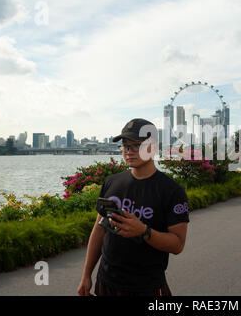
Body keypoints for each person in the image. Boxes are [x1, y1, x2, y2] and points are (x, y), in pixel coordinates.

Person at [77, 118, 190, 296]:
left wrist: (144, 231)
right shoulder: (112, 182)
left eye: (136, 145)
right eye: (125, 146)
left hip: (147, 287)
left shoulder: (172, 191)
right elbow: (99, 230)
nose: (129, 151)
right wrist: (86, 274)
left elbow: (177, 244)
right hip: (106, 282)